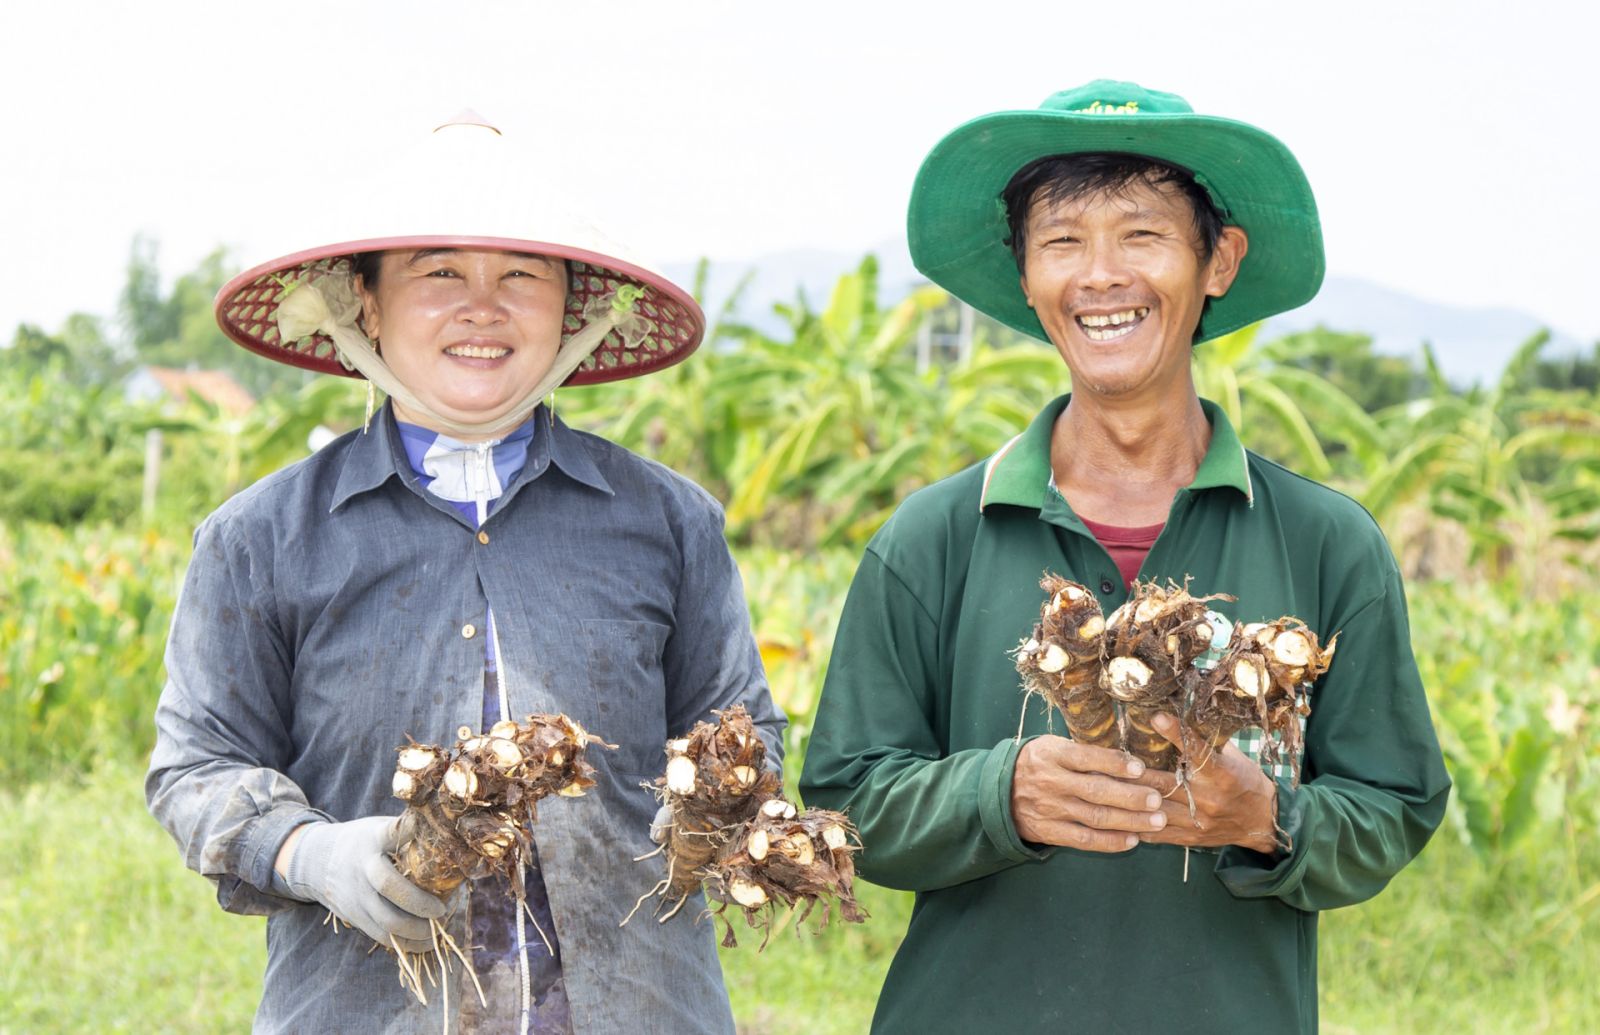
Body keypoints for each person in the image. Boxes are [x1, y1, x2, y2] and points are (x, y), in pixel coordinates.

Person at [799, 80, 1450, 1034]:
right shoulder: (931, 538)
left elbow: (1395, 804)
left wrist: (1268, 816)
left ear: (1217, 261)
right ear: (1024, 275)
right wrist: (999, 792)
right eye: (1062, 241)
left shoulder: (1325, 541)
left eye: (1141, 235)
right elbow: (848, 801)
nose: (1101, 275)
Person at [145, 113, 784, 1034]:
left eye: (520, 275)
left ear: (571, 308)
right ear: (365, 302)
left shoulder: (668, 521)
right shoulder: (261, 538)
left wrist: (717, 811)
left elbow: (744, 727)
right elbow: (195, 766)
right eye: (439, 272)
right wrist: (309, 852)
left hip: (640, 1006)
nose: (483, 307)